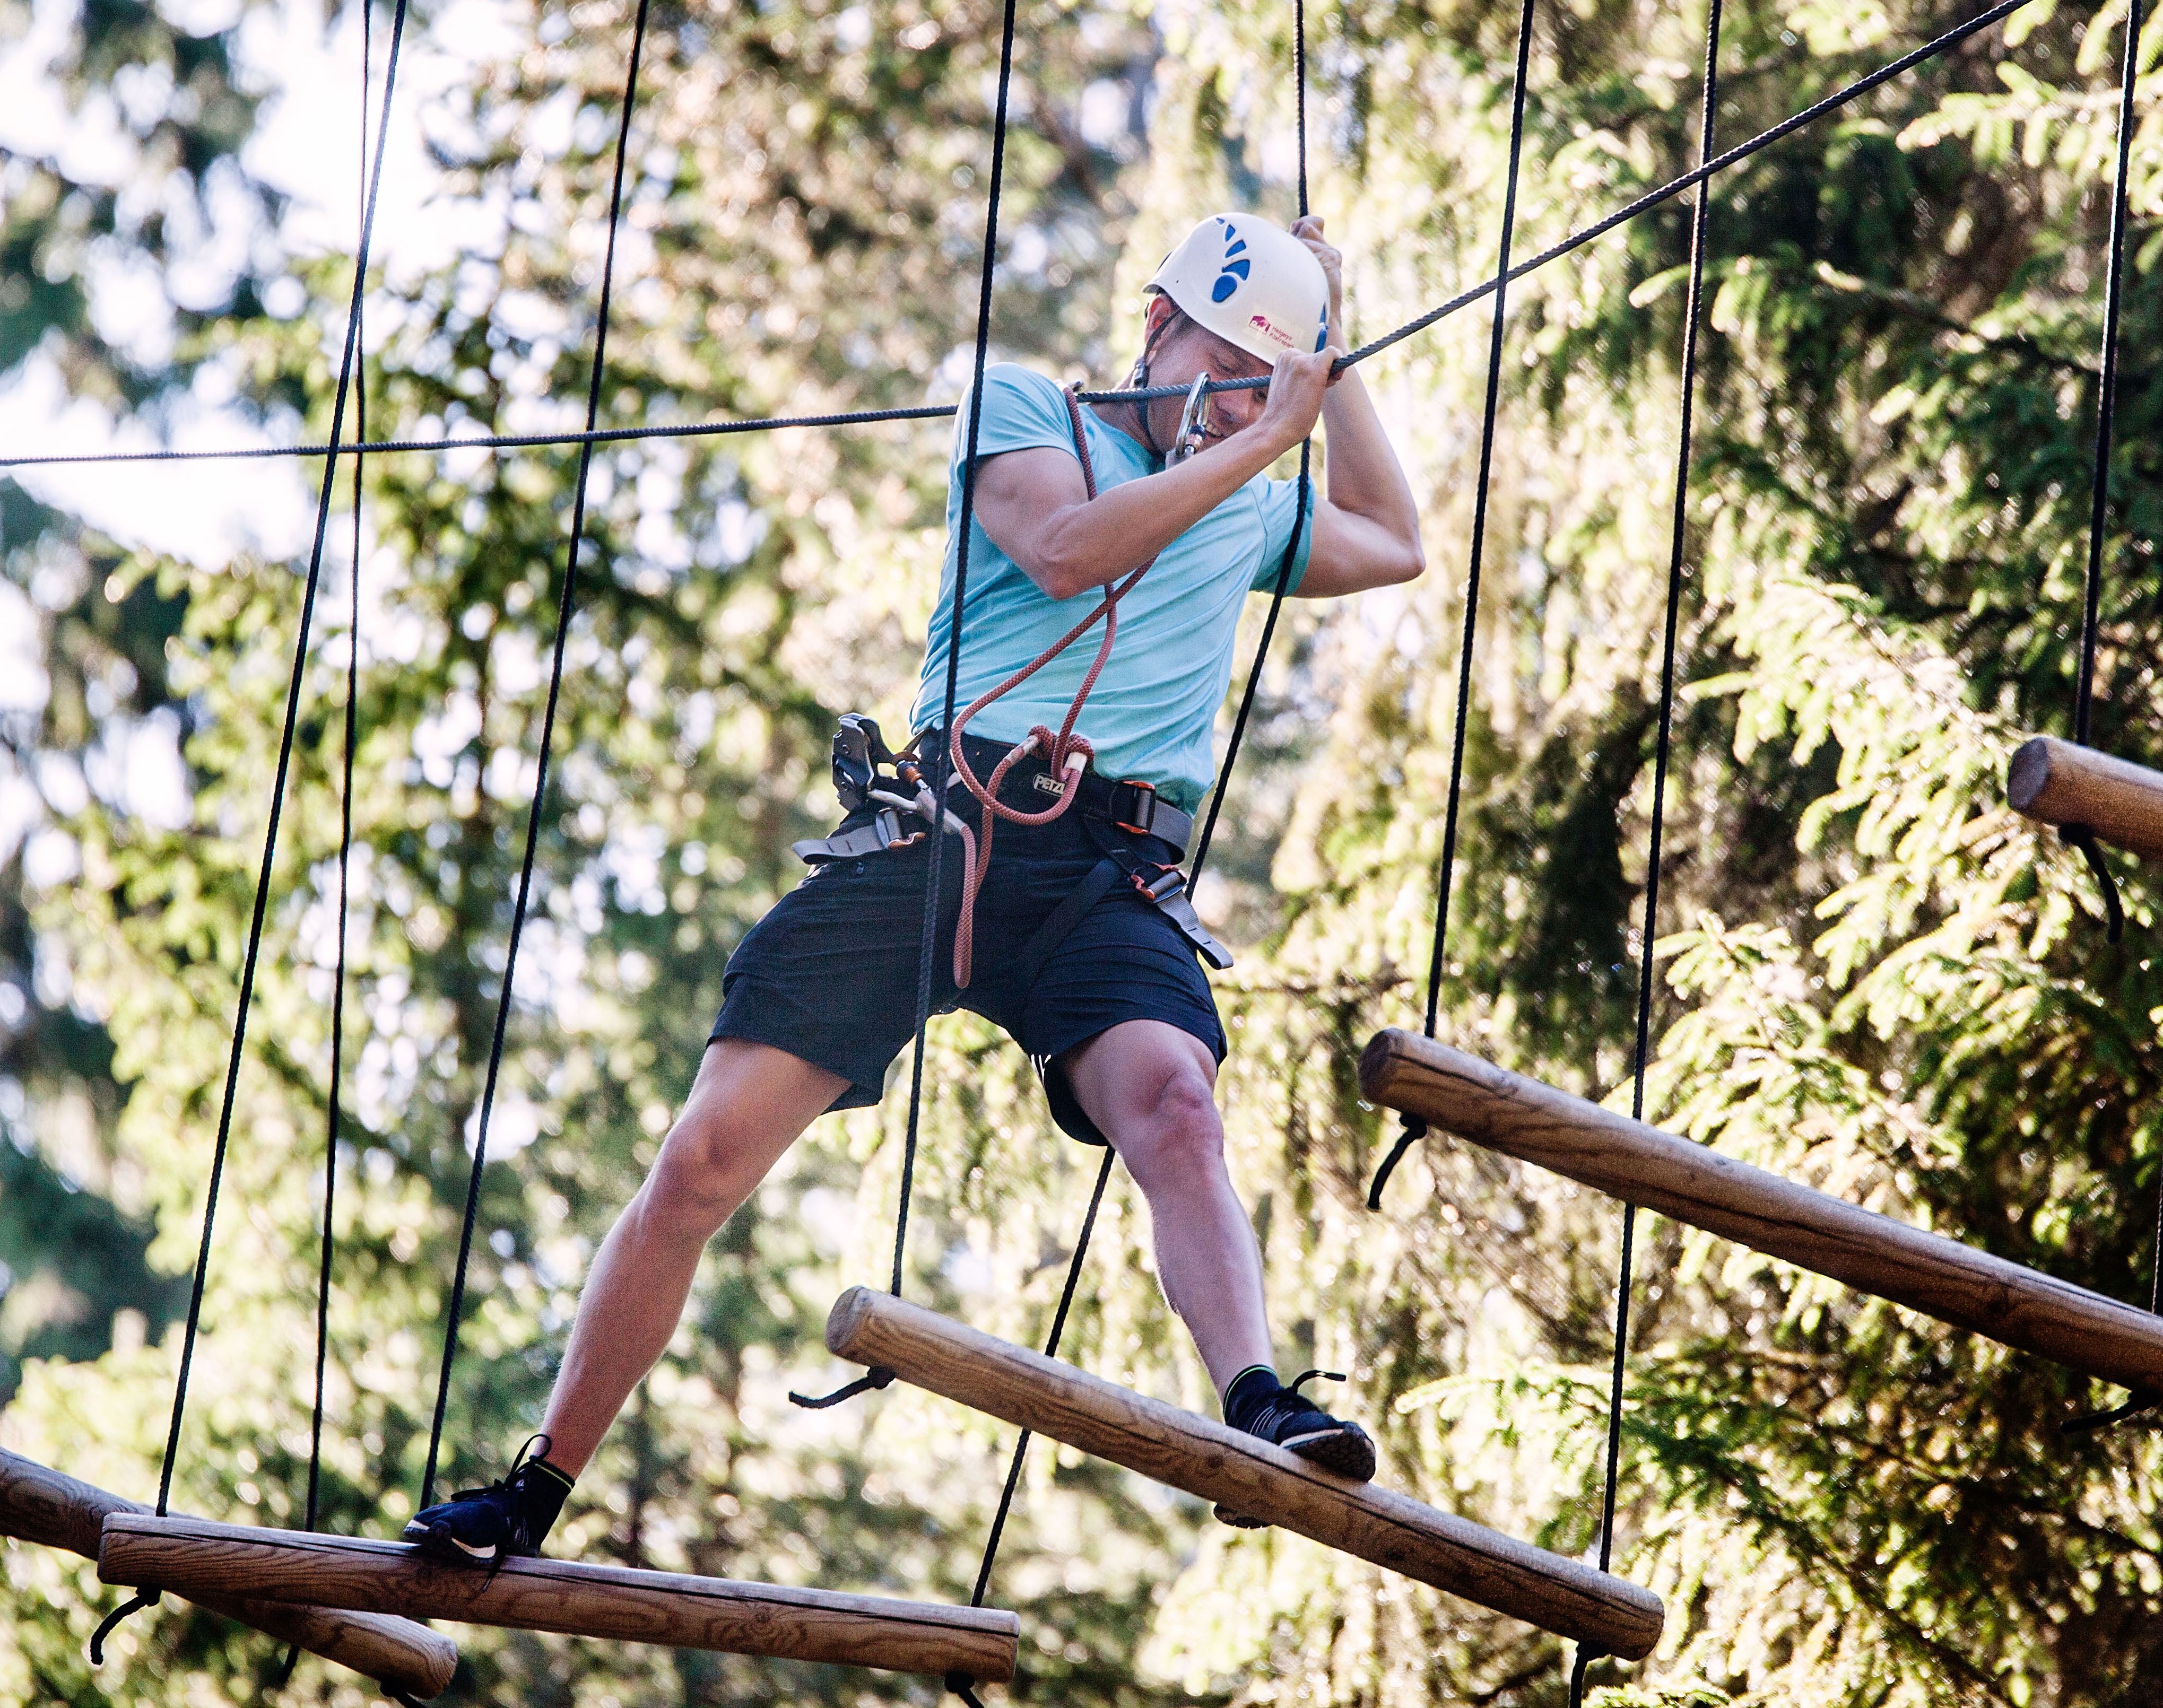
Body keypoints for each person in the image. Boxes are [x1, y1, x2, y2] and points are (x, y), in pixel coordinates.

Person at [406, 212, 1424, 1564]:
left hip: (1105, 870)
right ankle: (534, 1485)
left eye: (1259, 380)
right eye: (1222, 364)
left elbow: (1395, 539)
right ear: (1155, 327)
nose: (1234, 401)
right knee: (703, 1161)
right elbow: (1065, 547)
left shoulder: (1245, 495)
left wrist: (1329, 360)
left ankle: (1255, 1402)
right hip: (942, 832)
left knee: (1178, 1104)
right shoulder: (1024, 407)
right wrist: (1259, 441)